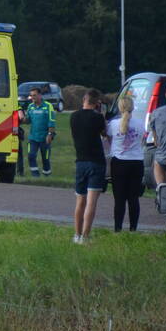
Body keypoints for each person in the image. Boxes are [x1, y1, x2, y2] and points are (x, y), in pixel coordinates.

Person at [70, 89, 109, 244]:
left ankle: (76, 234)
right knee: (91, 202)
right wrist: (102, 114)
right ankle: (85, 237)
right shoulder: (98, 118)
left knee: (80, 201)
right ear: (97, 103)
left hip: (80, 162)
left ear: (84, 100)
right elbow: (104, 133)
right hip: (96, 162)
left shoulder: (73, 117)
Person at [107, 94, 145, 231]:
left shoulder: (113, 124)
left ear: (119, 108)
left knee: (119, 199)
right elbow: (142, 141)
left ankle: (118, 229)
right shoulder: (140, 124)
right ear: (133, 107)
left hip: (119, 163)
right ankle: (133, 228)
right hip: (136, 163)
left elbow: (108, 139)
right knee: (133, 198)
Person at [24, 87, 57, 177]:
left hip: (45, 137)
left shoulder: (48, 106)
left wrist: (50, 134)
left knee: (45, 158)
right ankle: (35, 176)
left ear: (40, 95)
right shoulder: (30, 106)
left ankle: (47, 175)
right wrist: (21, 117)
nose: (32, 97)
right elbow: (27, 121)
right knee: (31, 156)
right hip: (33, 138)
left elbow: (51, 121)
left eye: (34, 95)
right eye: (31, 95)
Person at [147, 83, 166, 188]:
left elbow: (156, 141)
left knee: (157, 161)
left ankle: (161, 192)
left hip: (163, 158)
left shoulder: (156, 113)